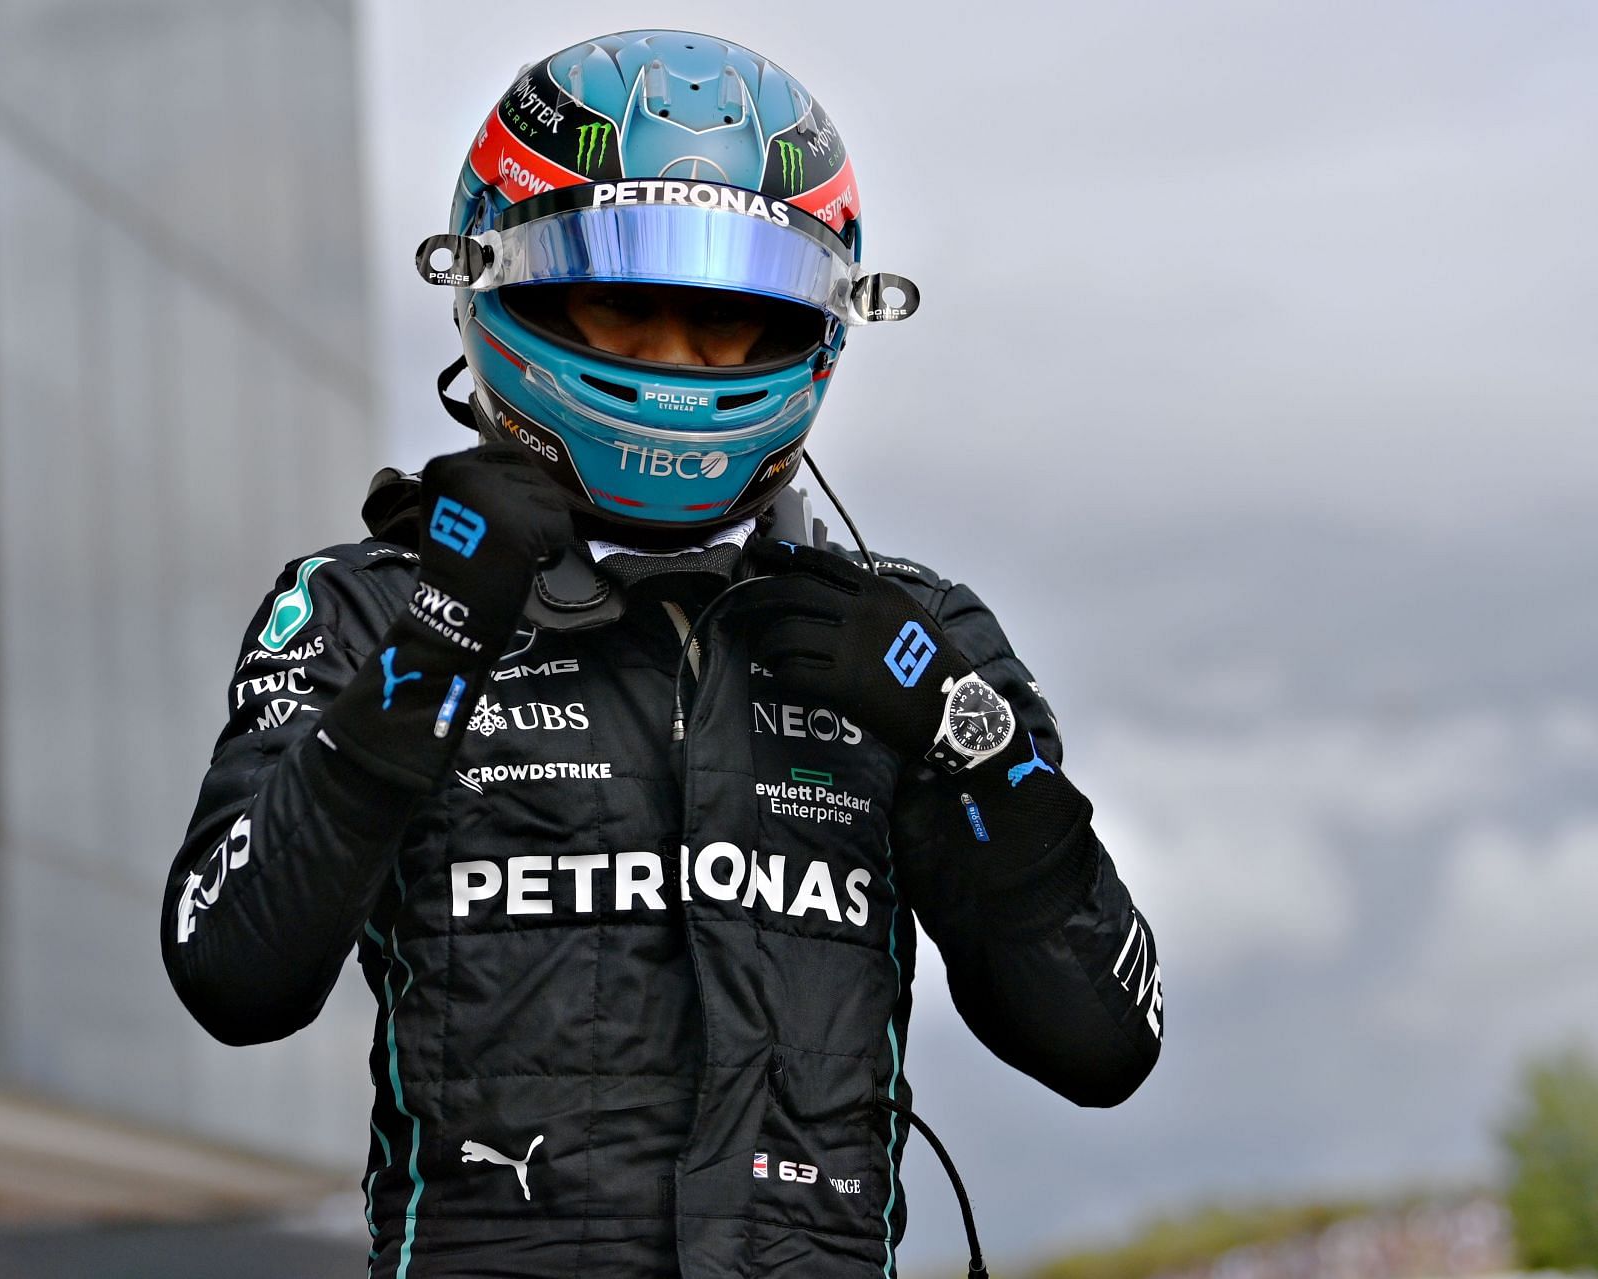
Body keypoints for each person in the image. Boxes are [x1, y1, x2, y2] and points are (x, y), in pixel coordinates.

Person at [162, 28, 1162, 1279]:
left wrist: (970, 743)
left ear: (817, 320)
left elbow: (1103, 1040)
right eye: (629, 305)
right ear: (497, 283)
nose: (679, 362)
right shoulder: (365, 606)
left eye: (730, 319)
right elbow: (230, 972)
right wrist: (443, 637)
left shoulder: (919, 645)